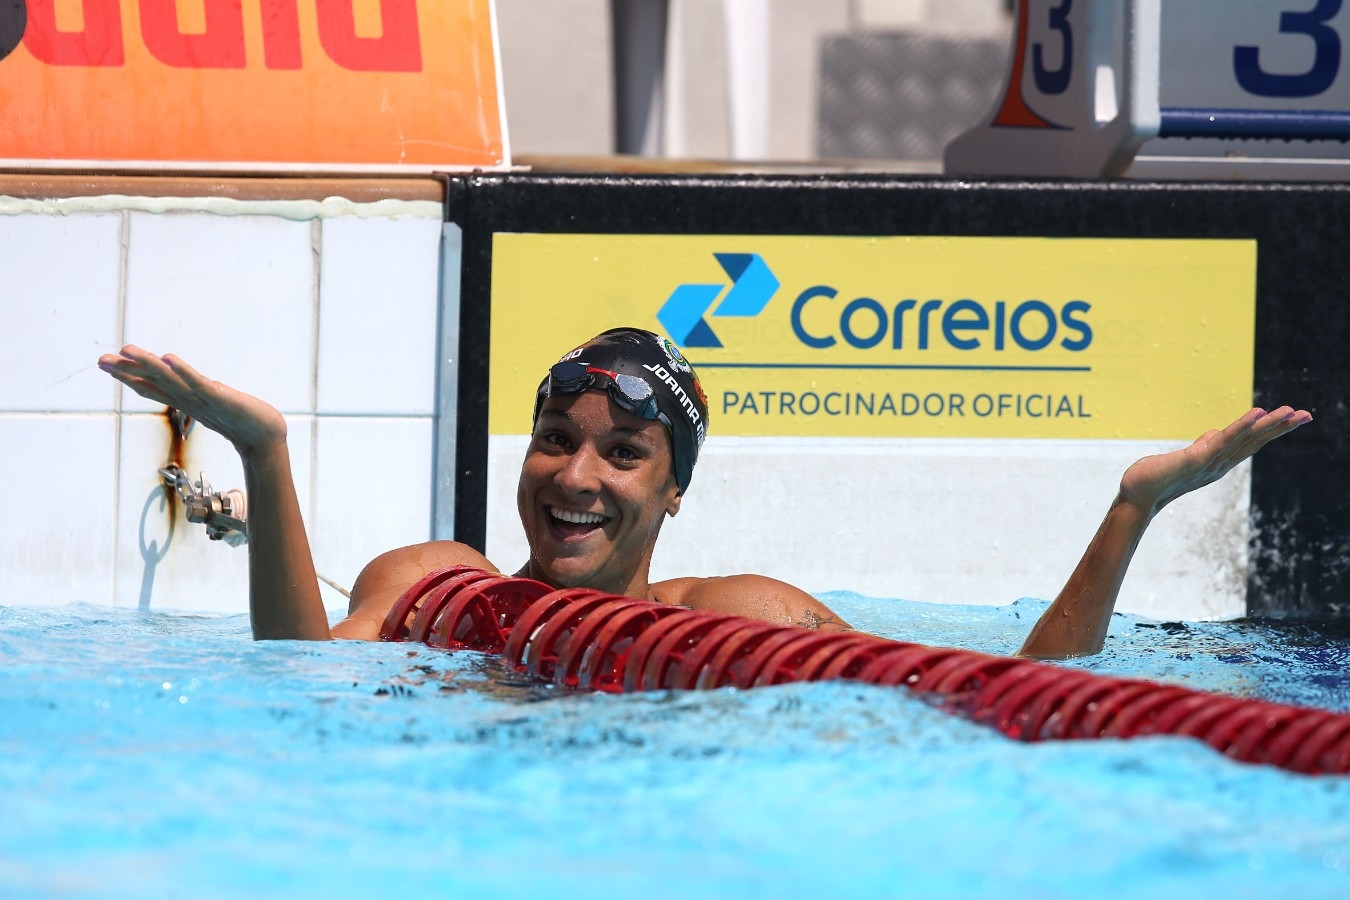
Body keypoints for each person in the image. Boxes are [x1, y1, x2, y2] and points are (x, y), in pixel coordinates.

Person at [98, 327, 1312, 659]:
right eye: (553, 440)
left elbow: (1017, 696)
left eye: (622, 453)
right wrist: (264, 452)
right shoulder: (429, 583)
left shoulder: (743, 618)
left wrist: (1131, 508)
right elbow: (299, 683)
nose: (574, 478)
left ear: (674, 491)